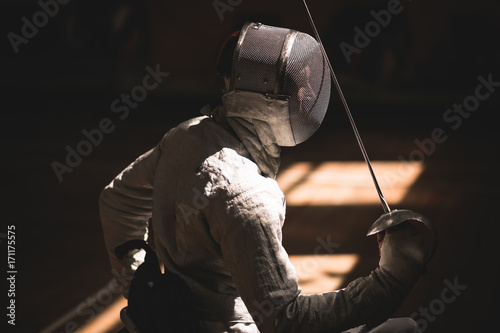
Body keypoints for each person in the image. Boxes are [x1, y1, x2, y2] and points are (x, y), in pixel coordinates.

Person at [99, 22, 435, 332]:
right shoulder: (247, 194)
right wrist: (390, 280)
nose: (307, 96)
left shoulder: (187, 137)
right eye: (295, 87)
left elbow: (116, 201)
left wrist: (137, 284)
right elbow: (285, 320)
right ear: (265, 100)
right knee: (404, 329)